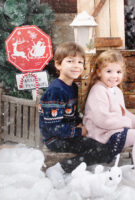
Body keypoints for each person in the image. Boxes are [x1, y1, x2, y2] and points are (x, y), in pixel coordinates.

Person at [83, 50, 135, 198]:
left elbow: (123, 113)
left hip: (113, 129)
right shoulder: (98, 90)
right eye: (109, 71)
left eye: (118, 71)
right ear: (99, 72)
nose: (114, 76)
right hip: (100, 132)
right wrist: (127, 123)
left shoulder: (116, 91)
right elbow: (103, 120)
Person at [39, 42, 113, 188]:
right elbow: (53, 128)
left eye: (80, 62)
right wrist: (79, 131)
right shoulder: (56, 91)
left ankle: (84, 168)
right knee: (104, 151)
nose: (76, 65)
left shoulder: (72, 86)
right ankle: (59, 169)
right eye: (70, 61)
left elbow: (71, 114)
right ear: (59, 65)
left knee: (106, 144)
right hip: (56, 139)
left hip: (68, 134)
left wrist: (82, 124)